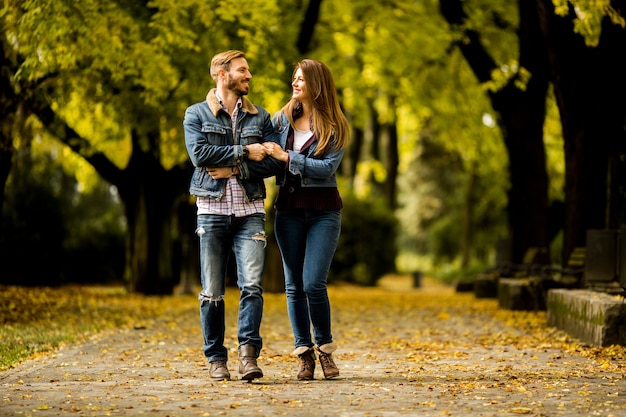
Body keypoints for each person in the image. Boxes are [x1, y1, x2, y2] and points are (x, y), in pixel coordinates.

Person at [183, 49, 278, 381]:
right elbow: (199, 154)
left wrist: (231, 166)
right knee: (212, 291)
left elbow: (272, 161)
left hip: (250, 210)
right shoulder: (196, 114)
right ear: (221, 75)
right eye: (242, 70)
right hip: (211, 211)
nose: (249, 75)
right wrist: (244, 152)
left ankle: (248, 357)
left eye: (248, 70)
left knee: (251, 286)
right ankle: (216, 359)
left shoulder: (261, 118)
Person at [263, 59, 350, 380]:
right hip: (288, 210)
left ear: (317, 84)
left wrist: (286, 157)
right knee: (294, 285)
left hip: (324, 211)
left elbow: (327, 169)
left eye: (301, 79)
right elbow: (261, 148)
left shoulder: (336, 125)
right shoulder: (281, 119)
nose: (295, 84)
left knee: (313, 282)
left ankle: (325, 350)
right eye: (293, 79)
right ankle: (305, 355)